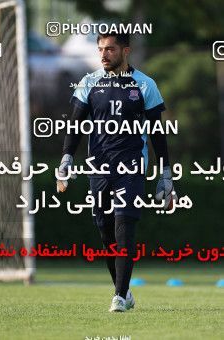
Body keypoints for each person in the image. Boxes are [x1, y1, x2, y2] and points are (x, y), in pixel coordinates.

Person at [57, 31, 176, 312]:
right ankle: (124, 290)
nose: (103, 55)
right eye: (101, 49)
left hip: (131, 168)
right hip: (98, 169)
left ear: (125, 51)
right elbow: (74, 126)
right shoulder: (88, 83)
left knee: (124, 229)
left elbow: (158, 134)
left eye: (110, 49)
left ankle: (119, 297)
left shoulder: (145, 85)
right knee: (106, 233)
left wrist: (166, 174)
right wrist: (65, 159)